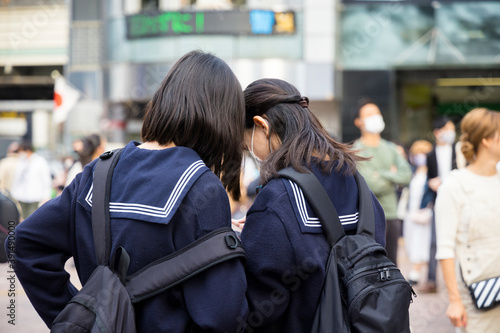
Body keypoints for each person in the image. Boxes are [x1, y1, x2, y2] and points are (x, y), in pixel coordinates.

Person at [8, 50, 248, 332]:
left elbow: (23, 243)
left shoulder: (99, 171)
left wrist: (83, 316)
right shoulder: (201, 186)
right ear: (222, 120)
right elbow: (222, 315)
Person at [240, 78, 386, 332]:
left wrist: (252, 236)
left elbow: (259, 307)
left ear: (261, 125)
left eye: (246, 143)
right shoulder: (357, 183)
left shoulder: (276, 199)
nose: (251, 152)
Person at [435, 108, 500, 331]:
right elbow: (445, 249)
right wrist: (454, 301)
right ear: (487, 140)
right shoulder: (455, 185)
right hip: (478, 295)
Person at [353, 100, 412, 266]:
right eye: (369, 115)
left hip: (391, 216)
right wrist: (393, 176)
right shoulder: (356, 150)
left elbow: (407, 175)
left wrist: (382, 174)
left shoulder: (391, 148)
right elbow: (370, 185)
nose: (375, 117)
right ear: (358, 122)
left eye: (377, 113)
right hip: (369, 216)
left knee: (392, 265)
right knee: (372, 266)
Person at [422, 116, 464, 293]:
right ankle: (432, 280)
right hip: (439, 201)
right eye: (446, 129)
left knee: (460, 239)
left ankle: (461, 279)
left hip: (459, 200)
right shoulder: (430, 155)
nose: (450, 133)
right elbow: (428, 178)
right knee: (434, 241)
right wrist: (431, 183)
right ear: (437, 132)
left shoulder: (459, 150)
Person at [402, 140, 433, 286]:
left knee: (422, 242)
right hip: (411, 212)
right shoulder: (412, 172)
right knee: (411, 241)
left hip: (424, 213)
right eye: (417, 153)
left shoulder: (432, 173)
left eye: (423, 153)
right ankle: (420, 270)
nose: (420, 156)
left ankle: (416, 272)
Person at [10, 141, 52, 219]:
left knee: (32, 218)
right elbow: (16, 178)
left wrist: (46, 196)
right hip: (21, 195)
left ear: (28, 150)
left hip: (35, 196)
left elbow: (46, 180)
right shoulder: (21, 161)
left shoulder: (40, 161)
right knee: (22, 217)